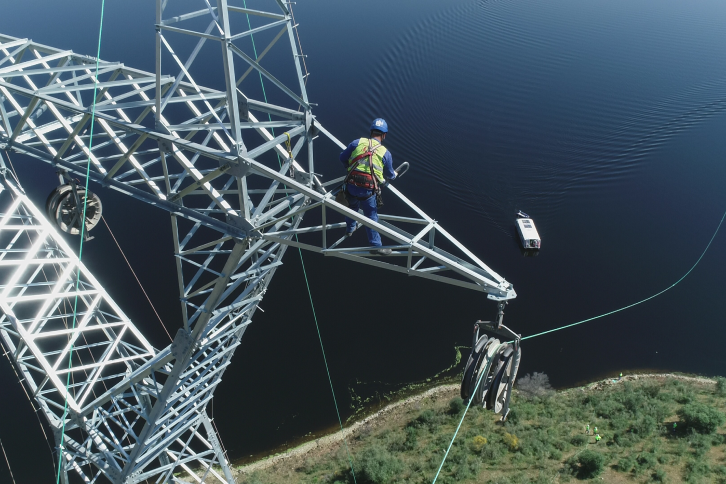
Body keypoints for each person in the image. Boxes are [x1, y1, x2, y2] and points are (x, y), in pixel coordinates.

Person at [339, 118, 398, 255]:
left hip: (351, 185)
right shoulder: (385, 152)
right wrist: (394, 175)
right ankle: (375, 246)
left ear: (371, 132)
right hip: (367, 190)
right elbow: (390, 174)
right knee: (371, 217)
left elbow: (342, 157)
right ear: (384, 135)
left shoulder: (357, 142)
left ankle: (350, 229)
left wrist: (348, 167)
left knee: (351, 208)